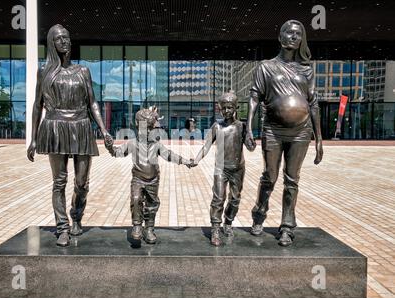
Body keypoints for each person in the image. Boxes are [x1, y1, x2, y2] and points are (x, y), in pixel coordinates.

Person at [27, 24, 113, 247]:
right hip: (55, 127)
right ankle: (62, 227)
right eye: (59, 38)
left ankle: (76, 216)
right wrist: (33, 138)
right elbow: (38, 105)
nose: (64, 41)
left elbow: (92, 102)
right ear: (52, 44)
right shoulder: (44, 72)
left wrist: (104, 130)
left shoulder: (83, 71)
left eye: (67, 37)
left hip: (81, 126)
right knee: (59, 181)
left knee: (82, 182)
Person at [245, 20, 323, 247]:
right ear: (280, 37)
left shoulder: (307, 69)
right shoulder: (266, 67)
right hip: (273, 130)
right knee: (270, 176)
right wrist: (249, 128)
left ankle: (287, 226)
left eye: (298, 34)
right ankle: (259, 212)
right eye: (289, 33)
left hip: (301, 132)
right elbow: (254, 97)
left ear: (302, 39)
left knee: (292, 180)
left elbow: (314, 103)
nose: (293, 37)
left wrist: (319, 139)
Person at [105, 107, 194, 244]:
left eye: (151, 129)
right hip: (138, 179)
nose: (148, 131)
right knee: (136, 199)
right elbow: (117, 152)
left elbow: (170, 155)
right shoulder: (133, 143)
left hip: (153, 180)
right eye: (145, 128)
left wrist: (185, 161)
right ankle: (136, 226)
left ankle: (149, 228)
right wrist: (110, 147)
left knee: (152, 204)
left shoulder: (156, 145)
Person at [193, 90, 246, 246]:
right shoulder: (217, 126)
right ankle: (215, 227)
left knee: (235, 199)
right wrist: (196, 160)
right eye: (224, 108)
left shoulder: (241, 126)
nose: (226, 111)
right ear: (220, 109)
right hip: (221, 169)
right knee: (218, 199)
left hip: (237, 168)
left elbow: (250, 147)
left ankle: (228, 222)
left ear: (235, 107)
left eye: (230, 107)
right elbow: (206, 146)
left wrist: (250, 137)